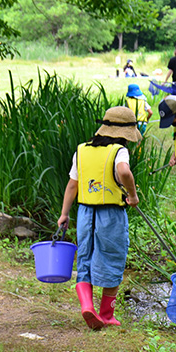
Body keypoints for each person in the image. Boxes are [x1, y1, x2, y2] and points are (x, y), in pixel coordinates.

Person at [57, 106, 141, 329]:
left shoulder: (82, 150)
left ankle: (87, 306)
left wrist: (65, 214)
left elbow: (72, 185)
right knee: (113, 257)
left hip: (85, 213)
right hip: (110, 214)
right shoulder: (118, 151)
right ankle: (106, 314)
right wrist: (132, 195)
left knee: (85, 257)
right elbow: (123, 171)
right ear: (124, 133)